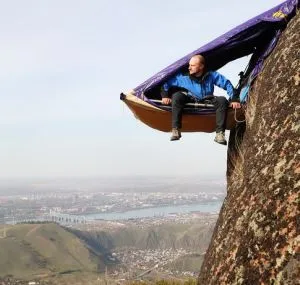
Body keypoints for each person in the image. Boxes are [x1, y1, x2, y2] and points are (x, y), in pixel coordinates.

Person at [161, 54, 241, 145]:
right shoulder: (183, 76)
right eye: (189, 65)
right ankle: (175, 129)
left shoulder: (211, 75)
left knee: (222, 100)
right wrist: (165, 96)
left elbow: (227, 84)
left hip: (208, 99)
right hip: (190, 98)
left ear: (201, 66)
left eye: (192, 65)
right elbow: (165, 84)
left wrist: (234, 99)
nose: (189, 68)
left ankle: (220, 134)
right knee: (176, 96)